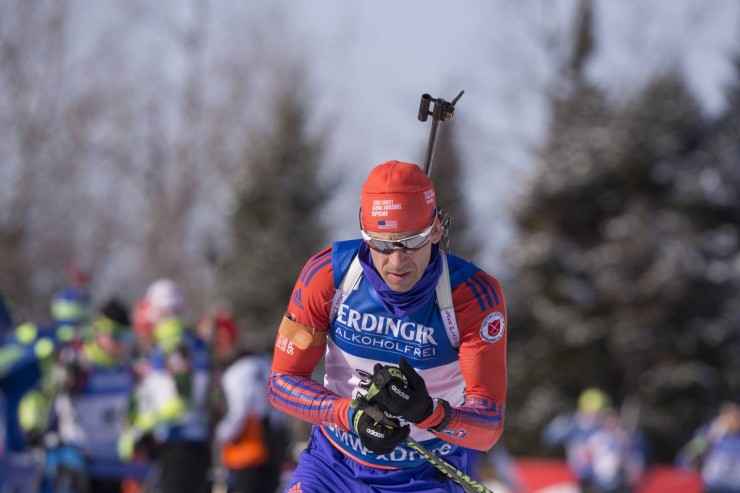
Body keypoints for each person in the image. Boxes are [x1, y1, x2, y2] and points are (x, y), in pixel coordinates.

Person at [268, 160, 507, 492]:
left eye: (412, 241)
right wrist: (349, 416)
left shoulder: (470, 297)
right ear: (364, 233)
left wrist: (429, 413)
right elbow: (281, 382)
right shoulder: (328, 277)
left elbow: (490, 424)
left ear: (436, 229)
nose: (397, 261)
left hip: (423, 472)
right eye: (382, 243)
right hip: (332, 466)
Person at [19, 298, 136, 493]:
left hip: (112, 465)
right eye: (116, 336)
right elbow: (37, 397)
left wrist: (141, 435)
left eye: (127, 337)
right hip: (76, 461)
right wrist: (33, 429)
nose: (122, 344)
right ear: (100, 331)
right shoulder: (78, 364)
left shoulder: (126, 370)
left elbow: (134, 410)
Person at [119, 279, 211, 493]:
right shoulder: (194, 341)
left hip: (179, 443)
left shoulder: (174, 344)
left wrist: (141, 425)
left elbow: (181, 402)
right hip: (196, 443)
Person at [210, 312, 285, 493]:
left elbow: (238, 414)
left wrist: (217, 436)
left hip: (247, 452)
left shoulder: (236, 372)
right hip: (273, 444)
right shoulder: (263, 362)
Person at [676, 398, 740, 493]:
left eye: (736, 416)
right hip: (713, 487)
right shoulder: (710, 432)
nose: (733, 419)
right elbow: (688, 456)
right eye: (730, 414)